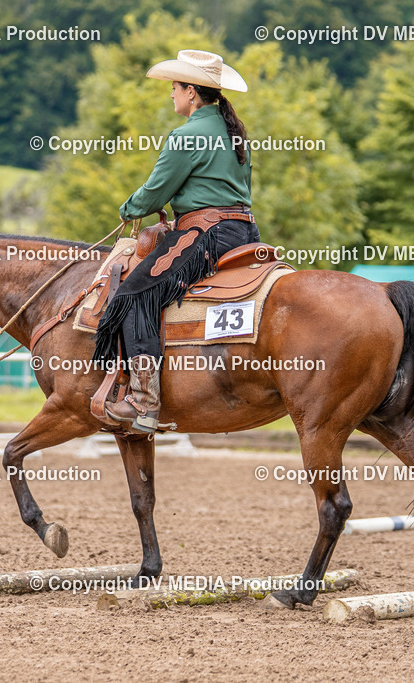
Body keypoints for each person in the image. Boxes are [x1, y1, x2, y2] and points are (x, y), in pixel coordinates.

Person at [93, 49, 258, 433]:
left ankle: (144, 401)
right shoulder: (235, 132)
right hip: (244, 231)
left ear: (192, 93)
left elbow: (155, 193)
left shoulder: (187, 135)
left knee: (134, 293)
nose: (171, 94)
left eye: (175, 87)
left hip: (205, 235)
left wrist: (128, 209)